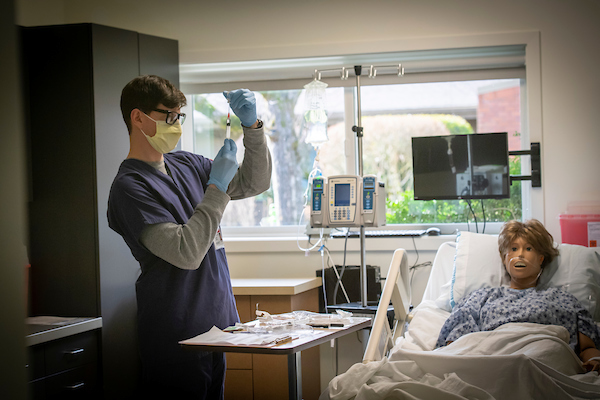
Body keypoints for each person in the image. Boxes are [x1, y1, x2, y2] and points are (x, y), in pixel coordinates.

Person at [107, 75, 272, 398]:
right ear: (137, 117)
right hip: (176, 337)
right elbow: (187, 252)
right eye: (167, 116)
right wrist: (216, 188)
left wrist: (253, 129)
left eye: (178, 116)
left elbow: (255, 183)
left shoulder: (188, 164)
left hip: (216, 329)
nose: (176, 125)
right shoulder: (129, 188)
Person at [436, 219, 600, 372]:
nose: (520, 254)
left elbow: (587, 348)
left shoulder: (564, 299)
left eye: (528, 249)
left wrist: (594, 361)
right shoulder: (480, 298)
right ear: (504, 258)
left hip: (547, 364)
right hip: (493, 365)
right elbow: (456, 345)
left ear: (541, 258)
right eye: (514, 249)